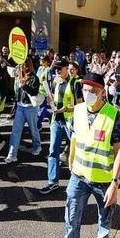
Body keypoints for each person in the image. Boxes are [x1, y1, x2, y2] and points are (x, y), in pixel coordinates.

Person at [57, 72, 120, 238]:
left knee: (105, 217)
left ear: (102, 92)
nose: (87, 94)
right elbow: (75, 137)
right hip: (78, 178)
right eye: (85, 90)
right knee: (71, 223)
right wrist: (70, 159)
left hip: (104, 180)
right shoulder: (76, 111)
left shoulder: (113, 115)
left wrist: (115, 183)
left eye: (93, 91)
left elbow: (118, 153)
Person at [40, 59, 74, 195]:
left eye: (60, 69)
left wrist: (64, 109)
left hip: (70, 121)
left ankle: (77, 181)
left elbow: (80, 105)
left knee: (75, 151)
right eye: (56, 69)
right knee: (53, 151)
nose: (58, 71)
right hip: (56, 120)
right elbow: (56, 98)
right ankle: (53, 181)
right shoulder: (55, 81)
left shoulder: (74, 83)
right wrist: (51, 99)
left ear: (67, 68)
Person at [5, 58, 42, 163]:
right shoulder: (19, 75)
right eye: (23, 65)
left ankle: (37, 146)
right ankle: (12, 155)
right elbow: (10, 71)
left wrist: (24, 86)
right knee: (15, 132)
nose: (25, 67)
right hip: (20, 106)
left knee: (33, 129)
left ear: (30, 65)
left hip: (31, 107)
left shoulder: (34, 78)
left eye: (27, 65)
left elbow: (34, 92)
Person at [36, 55, 53, 130]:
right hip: (38, 91)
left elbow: (50, 82)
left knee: (42, 109)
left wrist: (50, 94)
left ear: (46, 62)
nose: (40, 61)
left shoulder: (48, 70)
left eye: (42, 60)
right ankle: (50, 116)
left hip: (45, 92)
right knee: (41, 108)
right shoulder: (40, 68)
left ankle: (38, 124)